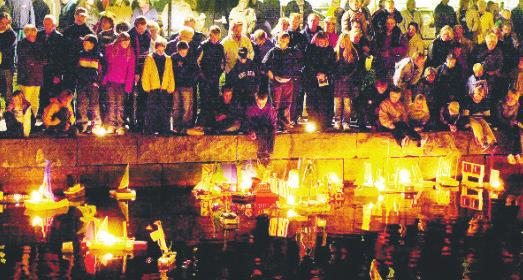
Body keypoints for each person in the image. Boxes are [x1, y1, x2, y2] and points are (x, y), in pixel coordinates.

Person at [263, 32, 300, 131]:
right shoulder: (273, 52)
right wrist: (270, 75)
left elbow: (296, 65)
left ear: (288, 40)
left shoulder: (291, 52)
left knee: (287, 104)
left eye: (286, 39)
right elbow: (264, 65)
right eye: (281, 39)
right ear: (278, 39)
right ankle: (274, 125)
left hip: (288, 82)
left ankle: (285, 124)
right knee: (275, 104)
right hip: (276, 82)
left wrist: (292, 76)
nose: (283, 41)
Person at [103, 32, 135, 135]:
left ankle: (120, 124)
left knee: (120, 105)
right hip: (111, 81)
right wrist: (104, 79)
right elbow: (106, 66)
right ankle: (111, 124)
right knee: (111, 103)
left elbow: (131, 70)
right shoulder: (111, 49)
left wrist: (129, 86)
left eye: (127, 41)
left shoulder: (130, 52)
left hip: (122, 83)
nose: (126, 43)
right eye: (123, 41)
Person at [141, 38, 175, 135]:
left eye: (162, 50)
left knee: (164, 110)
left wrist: (170, 86)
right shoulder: (150, 58)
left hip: (163, 88)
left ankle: (164, 129)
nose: (160, 52)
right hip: (153, 88)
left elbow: (170, 73)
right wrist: (146, 86)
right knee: (152, 109)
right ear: (155, 49)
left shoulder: (168, 59)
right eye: (158, 50)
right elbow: (146, 73)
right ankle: (150, 129)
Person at [304, 31, 336, 131]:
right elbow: (307, 63)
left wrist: (325, 74)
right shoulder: (310, 49)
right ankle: (313, 123)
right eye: (320, 41)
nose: (321, 43)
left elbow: (332, 64)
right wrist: (316, 74)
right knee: (313, 102)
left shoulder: (330, 50)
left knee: (324, 101)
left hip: (325, 80)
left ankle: (324, 124)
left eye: (323, 41)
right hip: (312, 80)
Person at [17, 24, 47, 124]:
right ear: (25, 33)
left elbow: (44, 60)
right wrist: (37, 63)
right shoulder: (21, 44)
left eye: (34, 34)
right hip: (26, 78)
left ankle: (32, 120)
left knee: (35, 100)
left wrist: (36, 63)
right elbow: (27, 61)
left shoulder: (39, 44)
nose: (32, 36)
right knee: (26, 100)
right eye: (29, 34)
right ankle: (25, 122)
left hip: (37, 77)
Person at [333, 30, 362, 131]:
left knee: (347, 104)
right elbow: (332, 67)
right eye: (341, 41)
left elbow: (355, 68)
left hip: (348, 81)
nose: (343, 43)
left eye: (345, 41)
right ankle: (337, 121)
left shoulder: (352, 53)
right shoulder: (335, 52)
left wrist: (348, 77)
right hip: (337, 81)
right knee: (337, 103)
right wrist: (336, 76)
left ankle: (346, 122)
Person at [197, 25, 225, 128]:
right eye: (213, 36)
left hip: (215, 78)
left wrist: (218, 74)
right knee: (204, 101)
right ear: (209, 35)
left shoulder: (220, 47)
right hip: (204, 78)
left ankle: (212, 123)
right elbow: (198, 62)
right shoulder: (203, 46)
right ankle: (203, 123)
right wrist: (202, 75)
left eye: (216, 36)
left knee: (214, 100)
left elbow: (223, 62)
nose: (214, 38)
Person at [75, 34, 103, 133]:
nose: (84, 44)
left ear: (92, 44)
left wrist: (97, 82)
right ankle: (82, 124)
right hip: (82, 83)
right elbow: (77, 68)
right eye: (84, 42)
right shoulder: (80, 54)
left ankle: (96, 124)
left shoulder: (98, 56)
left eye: (86, 42)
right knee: (82, 104)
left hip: (93, 84)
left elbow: (101, 71)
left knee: (94, 104)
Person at [37, 15, 64, 114]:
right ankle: (42, 117)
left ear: (54, 25)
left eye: (48, 24)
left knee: (52, 95)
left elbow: (61, 58)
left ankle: (52, 119)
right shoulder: (39, 35)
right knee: (42, 95)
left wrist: (58, 75)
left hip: (53, 71)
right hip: (41, 71)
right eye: (45, 24)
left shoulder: (59, 37)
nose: (46, 26)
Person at [62, 7, 94, 91]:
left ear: (86, 18)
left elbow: (93, 50)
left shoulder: (90, 33)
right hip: (69, 65)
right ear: (74, 16)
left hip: (83, 66)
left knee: (82, 93)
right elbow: (62, 49)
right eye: (78, 15)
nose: (80, 18)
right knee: (68, 91)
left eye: (83, 16)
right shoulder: (67, 31)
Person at [128, 16, 151, 132]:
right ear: (136, 27)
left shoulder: (147, 34)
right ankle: (132, 121)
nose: (142, 31)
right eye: (140, 29)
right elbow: (133, 55)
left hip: (144, 69)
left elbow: (146, 53)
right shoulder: (131, 35)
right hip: (133, 68)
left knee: (143, 96)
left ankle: (141, 121)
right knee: (132, 97)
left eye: (144, 28)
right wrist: (136, 71)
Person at [172, 41, 199, 133]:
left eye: (185, 51)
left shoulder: (191, 58)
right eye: (181, 51)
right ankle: (176, 127)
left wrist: (192, 82)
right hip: (176, 86)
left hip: (187, 86)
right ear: (178, 50)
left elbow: (196, 71)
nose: (183, 53)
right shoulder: (173, 58)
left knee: (187, 107)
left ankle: (185, 127)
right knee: (176, 107)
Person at [245, 90, 277, 165]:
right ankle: (262, 153)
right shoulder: (251, 107)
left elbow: (273, 121)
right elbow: (247, 121)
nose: (261, 105)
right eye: (259, 103)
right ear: (256, 99)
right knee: (264, 131)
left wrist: (273, 129)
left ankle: (269, 151)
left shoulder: (269, 107)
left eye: (263, 103)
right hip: (256, 126)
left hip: (266, 125)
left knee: (271, 131)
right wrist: (251, 131)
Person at [464, 84, 497, 151]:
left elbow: (487, 114)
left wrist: (489, 121)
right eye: (475, 94)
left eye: (479, 96)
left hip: (480, 117)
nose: (476, 97)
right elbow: (466, 114)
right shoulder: (468, 101)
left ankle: (492, 141)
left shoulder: (484, 102)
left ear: (482, 97)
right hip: (471, 117)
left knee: (485, 125)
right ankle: (483, 142)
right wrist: (466, 123)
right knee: (477, 126)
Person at [228, 47, 259, 112]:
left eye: (244, 57)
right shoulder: (236, 66)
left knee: (251, 110)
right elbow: (232, 80)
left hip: (251, 92)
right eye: (241, 57)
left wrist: (256, 90)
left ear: (247, 55)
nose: (242, 59)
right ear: (238, 56)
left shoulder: (252, 64)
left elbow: (257, 78)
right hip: (240, 94)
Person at [496, 89, 522, 164]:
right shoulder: (500, 103)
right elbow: (499, 117)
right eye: (509, 97)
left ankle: (517, 153)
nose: (511, 100)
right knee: (510, 131)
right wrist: (508, 123)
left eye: (513, 99)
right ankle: (509, 154)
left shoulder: (517, 104)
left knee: (517, 131)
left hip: (510, 122)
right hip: (501, 122)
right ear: (507, 96)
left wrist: (514, 122)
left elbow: (514, 116)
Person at [0, 12, 16, 101]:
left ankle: (8, 112)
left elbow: (5, 49)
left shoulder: (12, 34)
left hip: (7, 67)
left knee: (7, 92)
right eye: (2, 23)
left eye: (7, 23)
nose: (4, 25)